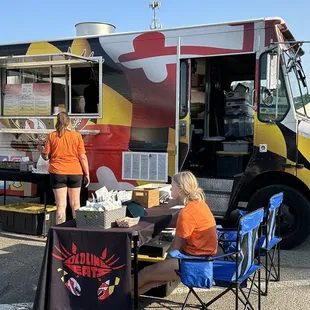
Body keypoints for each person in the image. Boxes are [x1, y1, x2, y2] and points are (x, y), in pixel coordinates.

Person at [132, 171, 218, 295]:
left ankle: (117, 295)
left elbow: (175, 247)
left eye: (172, 186)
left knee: (146, 273)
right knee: (152, 280)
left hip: (193, 263)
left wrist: (163, 265)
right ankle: (125, 299)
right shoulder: (199, 204)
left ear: (180, 189)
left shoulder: (187, 213)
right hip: (204, 258)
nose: (170, 188)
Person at [37, 112, 90, 224]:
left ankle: (60, 234)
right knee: (76, 204)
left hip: (58, 172)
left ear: (57, 121)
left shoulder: (51, 136)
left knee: (61, 205)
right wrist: (87, 174)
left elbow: (46, 157)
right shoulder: (77, 136)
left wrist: (40, 150)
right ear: (69, 122)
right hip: (75, 172)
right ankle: (78, 231)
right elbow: (83, 157)